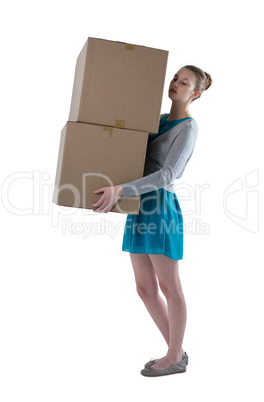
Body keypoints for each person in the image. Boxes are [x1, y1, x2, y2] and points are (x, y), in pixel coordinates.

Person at [92, 65, 213, 377]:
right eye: (175, 78)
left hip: (159, 207)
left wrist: (121, 189)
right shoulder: (158, 120)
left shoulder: (188, 128)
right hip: (137, 205)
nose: (175, 84)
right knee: (145, 288)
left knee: (169, 286)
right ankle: (177, 352)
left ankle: (173, 356)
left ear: (195, 93)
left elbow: (168, 175)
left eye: (183, 82)